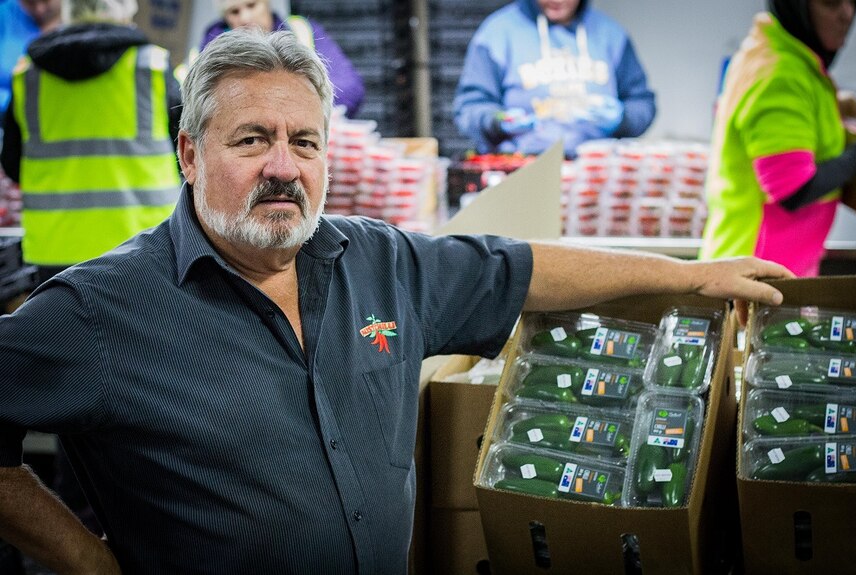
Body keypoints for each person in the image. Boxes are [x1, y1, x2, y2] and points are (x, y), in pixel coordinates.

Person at [0, 28, 792, 574]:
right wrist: (85, 559)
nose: (284, 166)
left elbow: (523, 270)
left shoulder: (377, 259)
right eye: (252, 140)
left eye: (304, 141)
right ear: (188, 152)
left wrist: (690, 276)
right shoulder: (102, 311)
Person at [1, 0, 183, 282]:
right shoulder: (151, 65)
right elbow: (187, 152)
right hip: (145, 243)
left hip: (56, 250)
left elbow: (12, 164)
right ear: (124, 9)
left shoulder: (28, 75)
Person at [700, 0, 856, 277]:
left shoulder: (791, 56)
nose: (846, 14)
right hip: (751, 275)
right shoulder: (779, 73)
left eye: (852, 1)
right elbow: (792, 189)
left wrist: (839, 107)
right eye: (831, 2)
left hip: (775, 271)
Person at [452, 0, 656, 159]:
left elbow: (643, 104)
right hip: (521, 171)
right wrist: (496, 121)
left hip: (595, 175)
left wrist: (623, 119)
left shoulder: (611, 34)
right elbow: (469, 109)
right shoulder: (496, 34)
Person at [198, 0, 365, 118]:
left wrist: (297, 114)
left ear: (267, 3)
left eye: (252, 5)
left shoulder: (302, 31)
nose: (245, 17)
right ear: (225, 17)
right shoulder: (213, 50)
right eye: (234, 11)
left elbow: (349, 87)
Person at [0, 0, 62, 125]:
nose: (39, 9)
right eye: (30, 3)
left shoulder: (83, 18)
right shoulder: (5, 17)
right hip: (7, 119)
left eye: (46, 2)